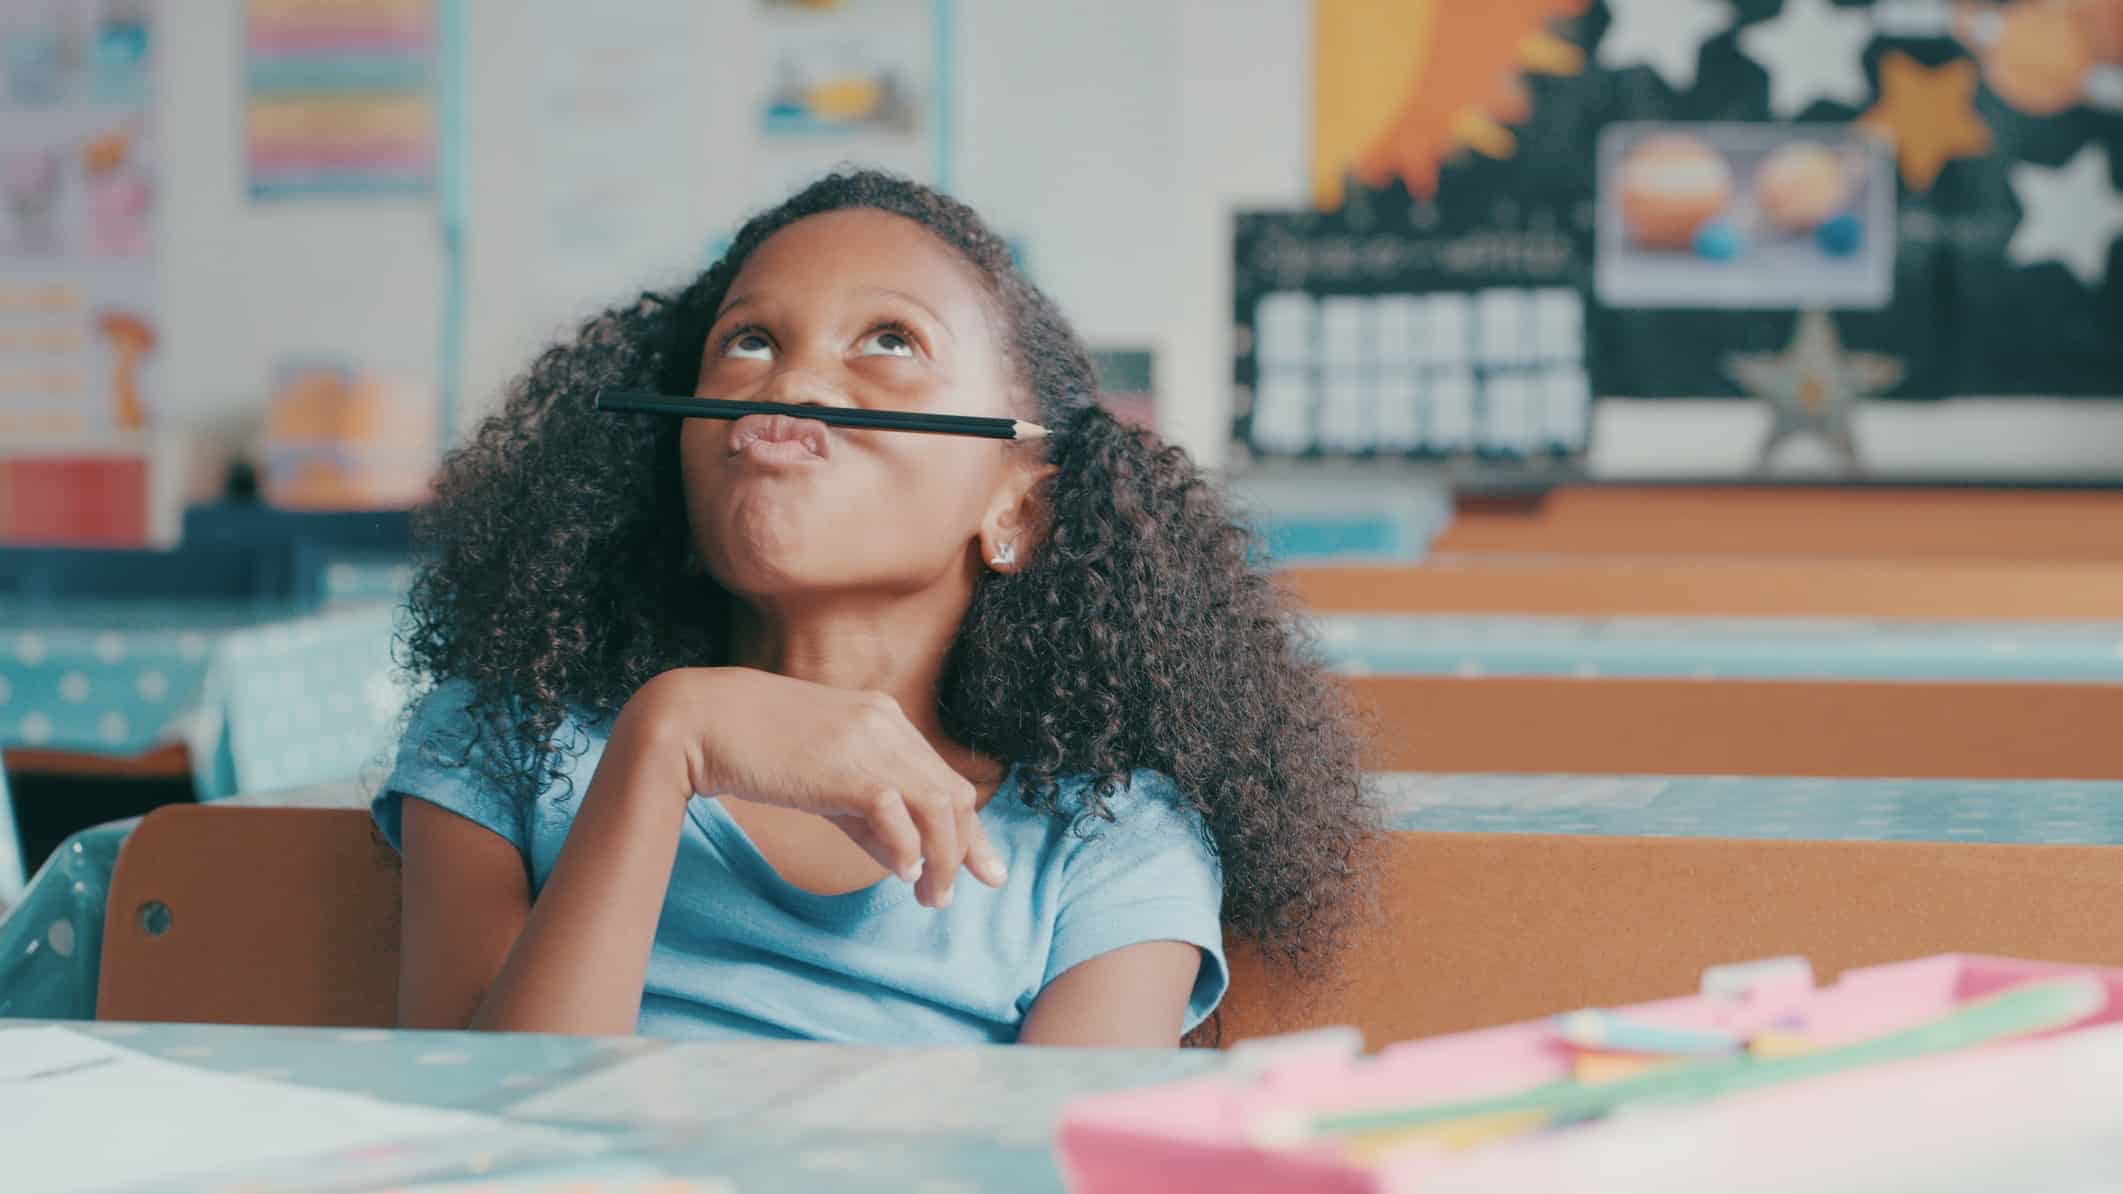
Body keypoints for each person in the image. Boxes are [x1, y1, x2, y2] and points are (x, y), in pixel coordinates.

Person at [382, 170, 1371, 1046]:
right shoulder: (506, 740)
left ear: (1017, 507)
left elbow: (1060, 1162)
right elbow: (481, 1130)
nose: (792, 381)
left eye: (891, 340)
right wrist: (666, 741)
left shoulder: (1112, 841)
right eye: (748, 341)